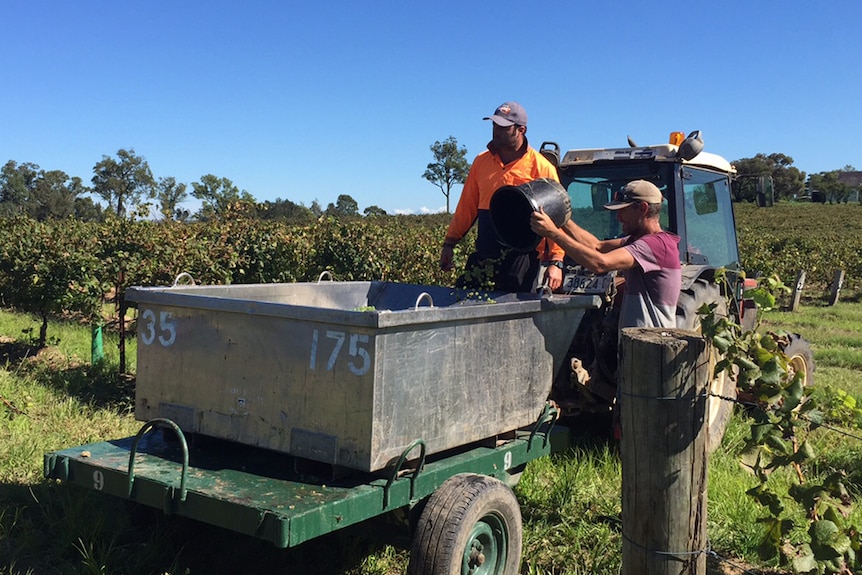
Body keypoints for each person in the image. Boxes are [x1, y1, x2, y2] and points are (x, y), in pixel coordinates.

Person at [440, 101, 565, 293]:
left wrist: (556, 261)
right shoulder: (481, 162)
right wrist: (450, 242)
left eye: (503, 127)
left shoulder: (541, 167)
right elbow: (467, 206)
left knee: (513, 314)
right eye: (494, 125)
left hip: (522, 257)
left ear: (521, 130)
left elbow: (556, 215)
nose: (496, 131)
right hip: (486, 251)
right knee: (464, 300)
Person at [530, 179, 681, 328]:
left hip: (650, 344)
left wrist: (554, 233)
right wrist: (562, 220)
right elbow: (597, 246)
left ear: (643, 208)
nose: (618, 217)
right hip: (636, 344)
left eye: (623, 210)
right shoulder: (637, 240)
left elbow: (601, 263)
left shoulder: (657, 245)